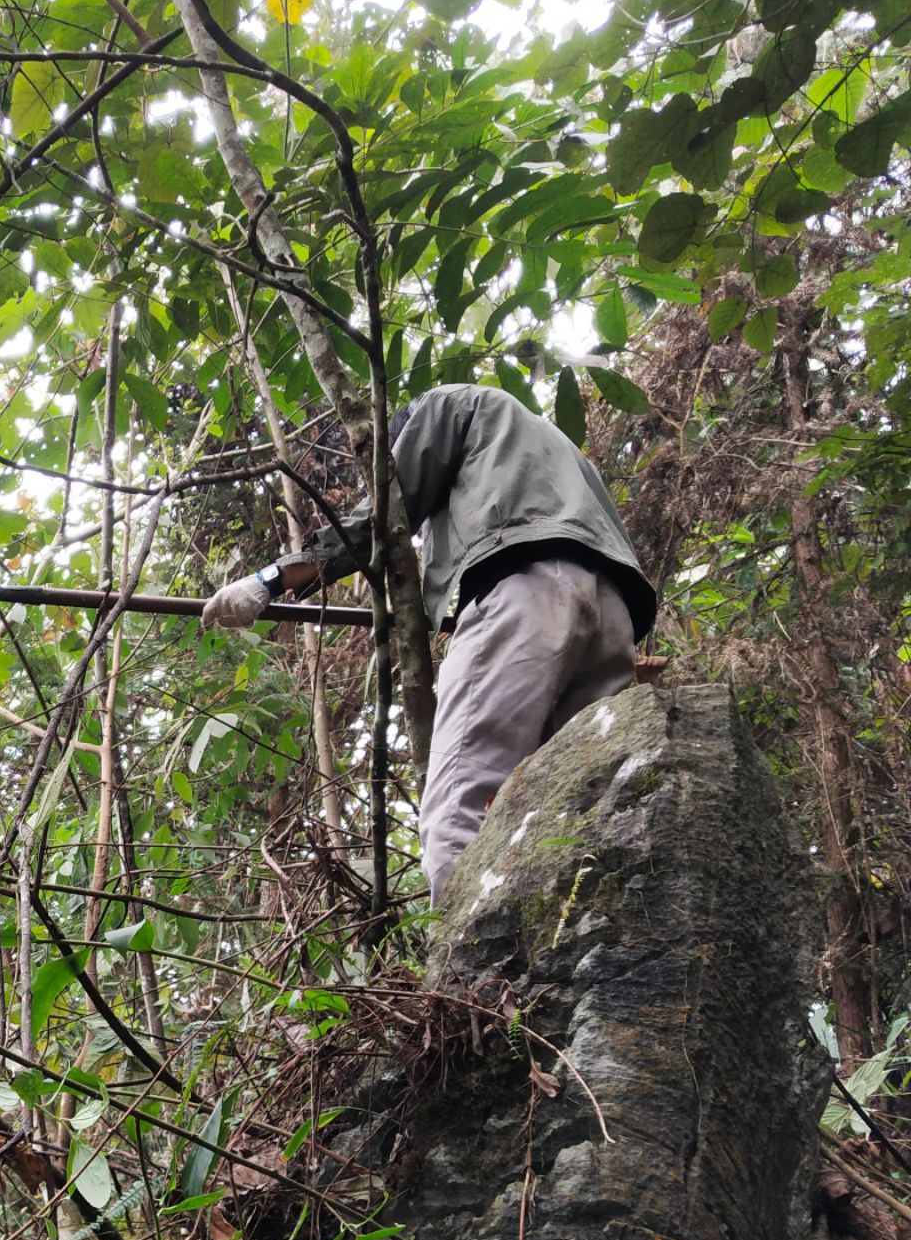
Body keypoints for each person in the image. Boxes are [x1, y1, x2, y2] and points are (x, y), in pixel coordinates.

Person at [201, 383, 657, 904]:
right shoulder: (557, 451)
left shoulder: (446, 404)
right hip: (616, 612)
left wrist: (270, 580)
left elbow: (385, 516)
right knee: (578, 807)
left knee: (459, 808)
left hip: (524, 589)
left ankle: (466, 976)